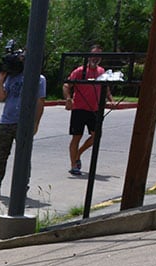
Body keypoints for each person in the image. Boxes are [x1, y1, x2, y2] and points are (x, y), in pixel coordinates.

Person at [0, 53, 45, 197]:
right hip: (7, 121)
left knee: (23, 157)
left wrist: (36, 123)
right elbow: (1, 97)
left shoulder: (39, 79)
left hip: (24, 123)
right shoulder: (12, 77)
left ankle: (22, 186)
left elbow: (40, 102)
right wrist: (1, 80)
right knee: (1, 156)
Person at [63, 46, 104, 176]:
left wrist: (110, 99)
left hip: (95, 109)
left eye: (98, 56)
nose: (95, 58)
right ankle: (74, 165)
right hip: (79, 108)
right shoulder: (80, 71)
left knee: (96, 136)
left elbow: (105, 88)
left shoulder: (102, 71)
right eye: (93, 55)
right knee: (77, 136)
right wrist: (68, 99)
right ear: (88, 56)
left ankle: (78, 154)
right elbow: (66, 85)